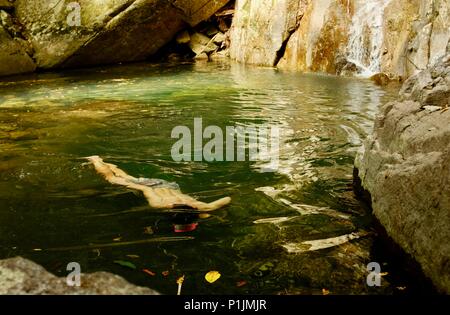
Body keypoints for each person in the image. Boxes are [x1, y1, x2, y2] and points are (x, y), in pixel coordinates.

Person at [85, 156, 231, 211]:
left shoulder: (202, 206)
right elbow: (145, 190)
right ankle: (96, 160)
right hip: (153, 186)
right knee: (112, 179)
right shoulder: (158, 205)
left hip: (168, 184)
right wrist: (126, 185)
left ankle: (107, 164)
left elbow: (227, 199)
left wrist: (208, 208)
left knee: (127, 177)